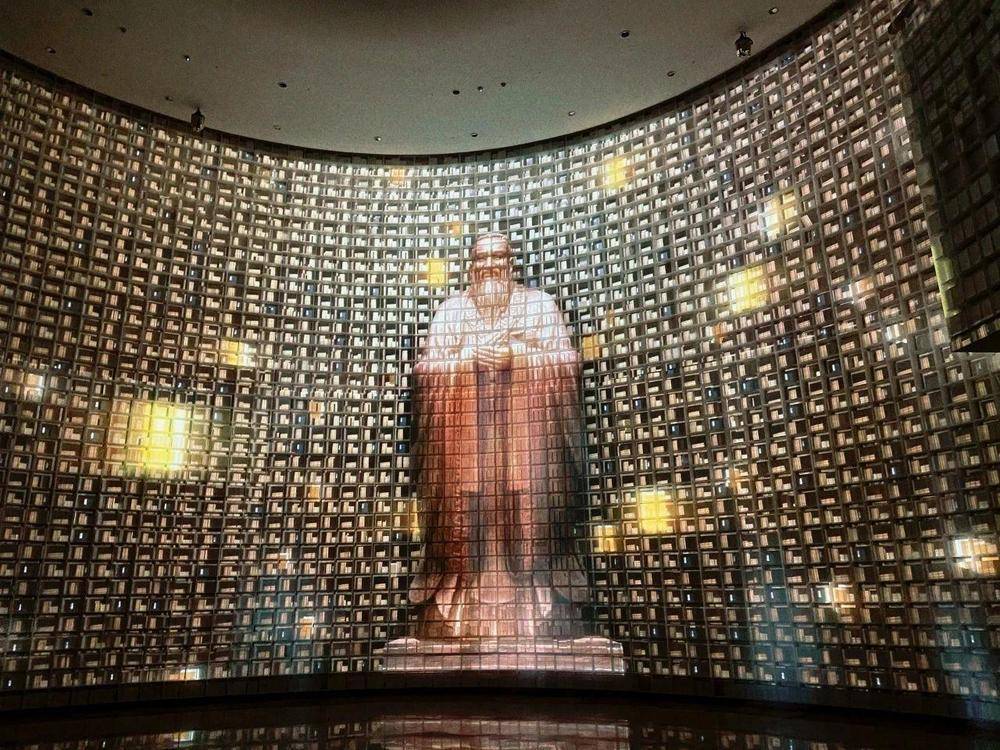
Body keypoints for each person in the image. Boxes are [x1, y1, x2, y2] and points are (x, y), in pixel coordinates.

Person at [408, 231, 588, 639]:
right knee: (465, 504)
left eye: (498, 259)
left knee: (530, 496)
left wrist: (517, 358)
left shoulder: (539, 306)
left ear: (511, 265)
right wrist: (467, 361)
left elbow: (567, 364)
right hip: (465, 444)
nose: (490, 267)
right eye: (482, 260)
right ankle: (462, 588)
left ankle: (534, 587)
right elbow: (426, 372)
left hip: (525, 443)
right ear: (472, 267)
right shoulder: (452, 311)